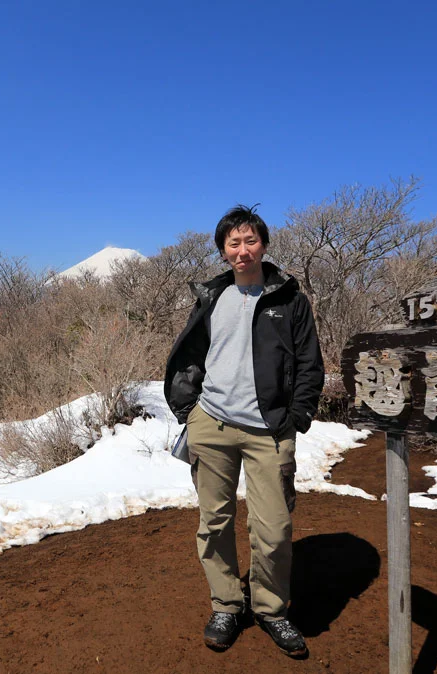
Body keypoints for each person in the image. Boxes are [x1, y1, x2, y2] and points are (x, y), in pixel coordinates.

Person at [164, 204, 324, 657]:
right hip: (210, 423)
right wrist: (188, 411)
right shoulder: (212, 296)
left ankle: (272, 610)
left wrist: (297, 417)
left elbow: (311, 363)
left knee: (272, 529)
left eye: (249, 240)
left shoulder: (288, 299)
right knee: (214, 522)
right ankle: (226, 604)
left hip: (268, 431)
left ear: (264, 246)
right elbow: (190, 354)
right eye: (232, 243)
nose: (242, 250)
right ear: (223, 251)